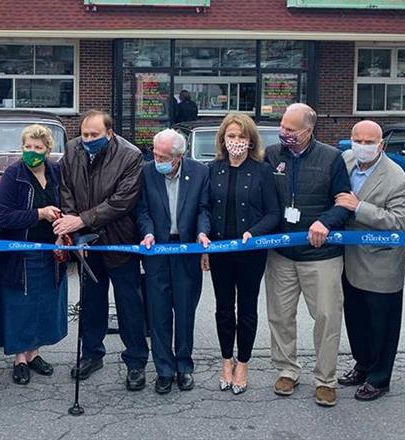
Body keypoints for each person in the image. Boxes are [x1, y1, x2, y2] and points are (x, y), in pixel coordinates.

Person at [264, 103, 351, 407]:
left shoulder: (332, 158)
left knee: (327, 318)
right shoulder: (272, 155)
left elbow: (345, 201)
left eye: (290, 129)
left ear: (308, 130)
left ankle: (325, 379)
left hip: (321, 255)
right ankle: (287, 369)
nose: (283, 132)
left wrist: (325, 221)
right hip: (281, 255)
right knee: (280, 316)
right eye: (282, 126)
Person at [54, 110, 148, 391]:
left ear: (110, 133)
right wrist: (76, 231)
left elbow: (122, 201)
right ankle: (91, 354)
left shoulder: (130, 156)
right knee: (91, 303)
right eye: (84, 134)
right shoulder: (72, 150)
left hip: (119, 240)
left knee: (129, 304)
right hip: (87, 243)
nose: (88, 139)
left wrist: (82, 219)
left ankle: (136, 362)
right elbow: (66, 191)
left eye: (95, 135)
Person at [336, 120, 405, 401]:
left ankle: (379, 378)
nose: (362, 146)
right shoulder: (346, 160)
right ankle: (363, 364)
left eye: (369, 142)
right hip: (349, 259)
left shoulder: (398, 179)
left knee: (382, 324)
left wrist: (359, 207)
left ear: (381, 144)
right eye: (358, 140)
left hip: (380, 264)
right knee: (356, 320)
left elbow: (397, 222)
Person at [206, 114, 280, 395]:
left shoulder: (263, 171)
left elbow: (274, 213)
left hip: (251, 253)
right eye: (231, 136)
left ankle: (244, 362)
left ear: (251, 141)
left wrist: (255, 231)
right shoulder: (212, 169)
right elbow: (205, 208)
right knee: (224, 308)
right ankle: (227, 360)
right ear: (223, 140)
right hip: (220, 252)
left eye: (241, 137)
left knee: (247, 309)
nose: (236, 142)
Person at [0, 125, 67, 385]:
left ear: (48, 149)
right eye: (27, 147)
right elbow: (2, 215)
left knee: (44, 303)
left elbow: (67, 206)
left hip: (51, 250)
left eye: (38, 147)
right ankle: (20, 358)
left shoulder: (56, 171)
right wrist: (39, 214)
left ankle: (35, 353)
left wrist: (61, 233)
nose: (32, 152)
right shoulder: (14, 174)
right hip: (20, 252)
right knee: (19, 305)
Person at [136, 128, 210, 395]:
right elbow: (142, 210)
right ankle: (164, 370)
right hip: (157, 249)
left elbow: (203, 209)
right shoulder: (146, 172)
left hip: (186, 249)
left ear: (179, 157)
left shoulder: (200, 172)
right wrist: (147, 232)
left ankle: (184, 366)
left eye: (164, 156)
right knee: (158, 313)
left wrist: (203, 232)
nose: (158, 160)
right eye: (155, 154)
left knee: (185, 312)